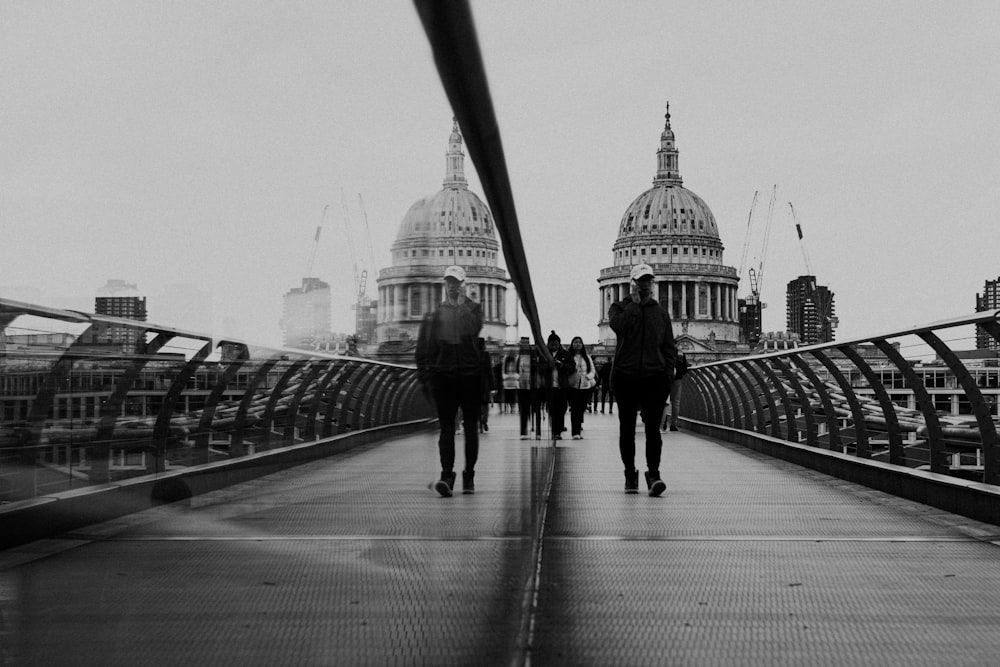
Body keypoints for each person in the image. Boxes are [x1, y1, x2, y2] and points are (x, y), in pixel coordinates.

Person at [609, 263, 677, 496]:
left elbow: (669, 348)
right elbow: (620, 328)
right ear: (633, 283)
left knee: (652, 431)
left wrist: (667, 376)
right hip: (625, 376)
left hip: (654, 378)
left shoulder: (661, 314)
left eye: (648, 281)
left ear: (653, 283)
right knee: (626, 429)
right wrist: (635, 306)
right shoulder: (619, 308)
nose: (645, 285)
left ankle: (653, 473)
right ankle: (630, 473)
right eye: (641, 281)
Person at [416, 265, 484, 496]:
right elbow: (424, 346)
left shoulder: (473, 309)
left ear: (463, 285)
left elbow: (472, 330)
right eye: (449, 282)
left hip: (470, 375)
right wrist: (425, 375)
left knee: (471, 428)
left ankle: (469, 475)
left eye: (456, 282)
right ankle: (447, 474)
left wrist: (461, 306)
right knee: (446, 428)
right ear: (444, 284)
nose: (452, 286)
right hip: (444, 376)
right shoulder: (435, 314)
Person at [541, 331, 574, 440]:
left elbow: (572, 367)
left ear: (559, 344)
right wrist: (548, 366)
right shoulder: (544, 354)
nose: (554, 347)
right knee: (552, 409)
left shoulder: (566, 354)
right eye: (551, 345)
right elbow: (539, 367)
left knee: (562, 408)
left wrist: (562, 365)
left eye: (556, 344)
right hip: (549, 386)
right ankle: (555, 431)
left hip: (562, 386)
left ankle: (559, 429)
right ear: (548, 344)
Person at [566, 336, 596, 439]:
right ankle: (575, 433)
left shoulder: (587, 357)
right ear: (572, 344)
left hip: (585, 386)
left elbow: (592, 370)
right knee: (575, 409)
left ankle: (578, 429)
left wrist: (587, 377)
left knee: (582, 408)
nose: (577, 344)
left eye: (579, 342)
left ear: (582, 345)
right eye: (575, 342)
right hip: (573, 386)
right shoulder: (568, 357)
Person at [661, 351, 689, 432]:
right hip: (677, 381)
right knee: (676, 403)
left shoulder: (663, 350)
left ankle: (663, 423)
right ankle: (673, 424)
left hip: (665, 380)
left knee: (664, 402)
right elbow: (685, 369)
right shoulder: (681, 353)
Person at [478, 338, 493, 433]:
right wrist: (492, 385)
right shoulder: (486, 355)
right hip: (485, 383)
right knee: (485, 404)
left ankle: (479, 421)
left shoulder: (473, 354)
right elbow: (490, 371)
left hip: (475, 383)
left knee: (477, 404)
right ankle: (484, 420)